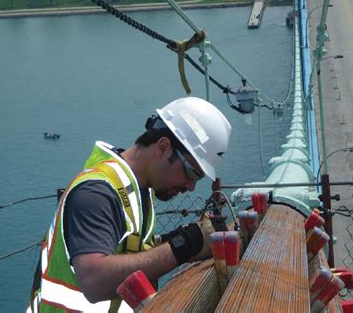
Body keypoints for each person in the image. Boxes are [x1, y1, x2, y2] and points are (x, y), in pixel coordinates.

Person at [27, 97, 232, 312]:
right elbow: (93, 280)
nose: (190, 186)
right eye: (192, 172)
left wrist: (185, 240)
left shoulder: (138, 189)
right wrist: (185, 244)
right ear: (163, 147)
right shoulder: (97, 193)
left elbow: (127, 251)